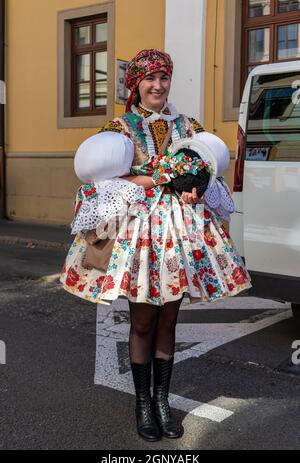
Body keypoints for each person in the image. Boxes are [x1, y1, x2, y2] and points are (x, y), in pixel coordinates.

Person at [60, 49, 251, 442]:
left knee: (169, 319)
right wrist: (159, 177)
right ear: (136, 84)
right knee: (143, 321)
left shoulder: (189, 125)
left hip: (182, 235)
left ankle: (162, 401)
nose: (158, 86)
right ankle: (142, 403)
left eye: (163, 78)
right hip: (139, 237)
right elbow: (102, 185)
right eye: (150, 79)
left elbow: (208, 175)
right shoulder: (120, 127)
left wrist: (196, 190)